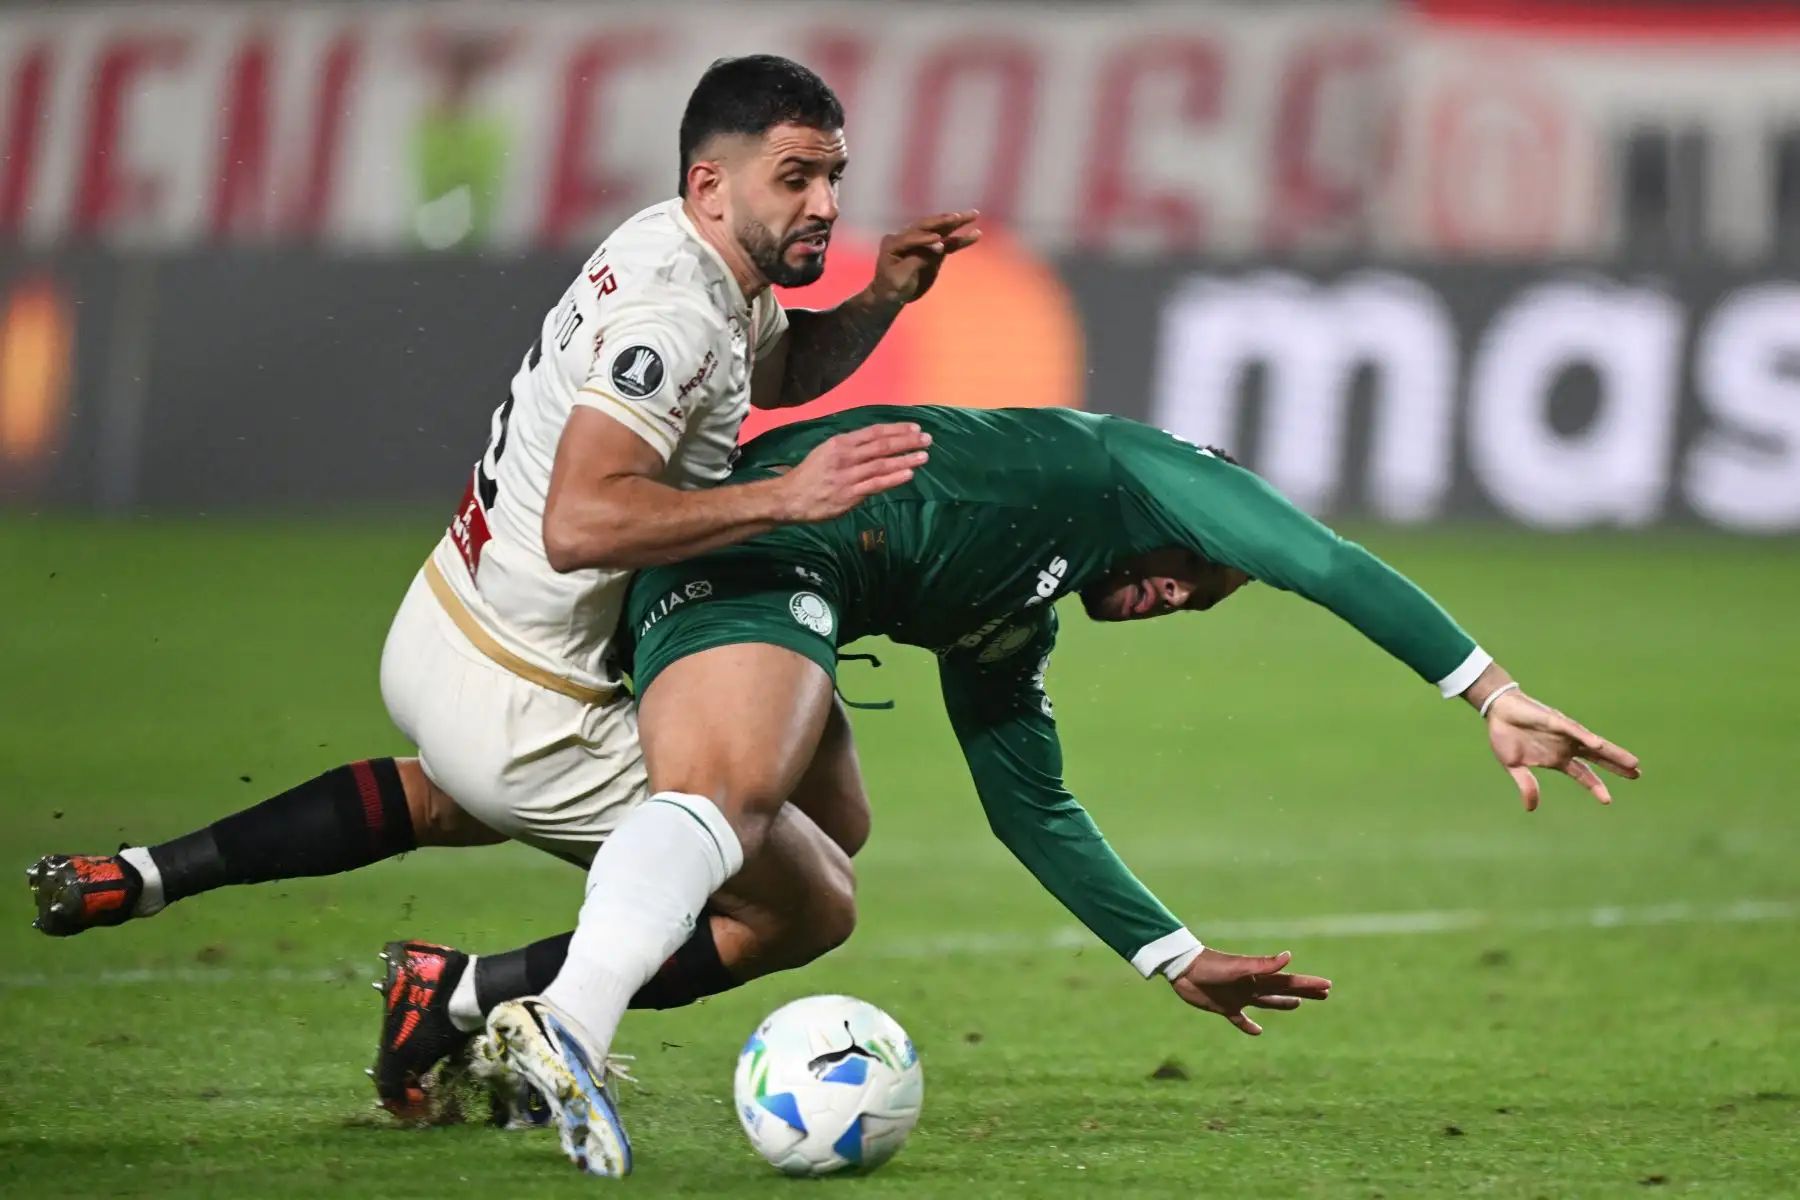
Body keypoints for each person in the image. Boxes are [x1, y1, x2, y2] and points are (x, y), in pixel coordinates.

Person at [24, 54, 978, 1124]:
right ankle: (470, 998)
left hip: (449, 623)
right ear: (714, 184)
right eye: (796, 178)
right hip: (531, 700)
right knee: (811, 902)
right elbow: (582, 521)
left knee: (825, 800)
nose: (826, 206)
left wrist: (883, 298)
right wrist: (785, 500)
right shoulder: (671, 320)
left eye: (834, 179)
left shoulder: (684, 253)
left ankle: (147, 874)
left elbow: (774, 371)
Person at [435, 402, 1640, 1177]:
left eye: (1196, 604)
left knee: (821, 869)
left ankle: (465, 997)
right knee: (739, 795)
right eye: (1191, 568)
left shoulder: (1008, 618)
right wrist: (1486, 691)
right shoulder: (1135, 465)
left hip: (785, 583)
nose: (1176, 594)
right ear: (1186, 515)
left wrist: (1171, 955)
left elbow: (1030, 804)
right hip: (753, 549)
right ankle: (574, 1027)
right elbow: (1318, 558)